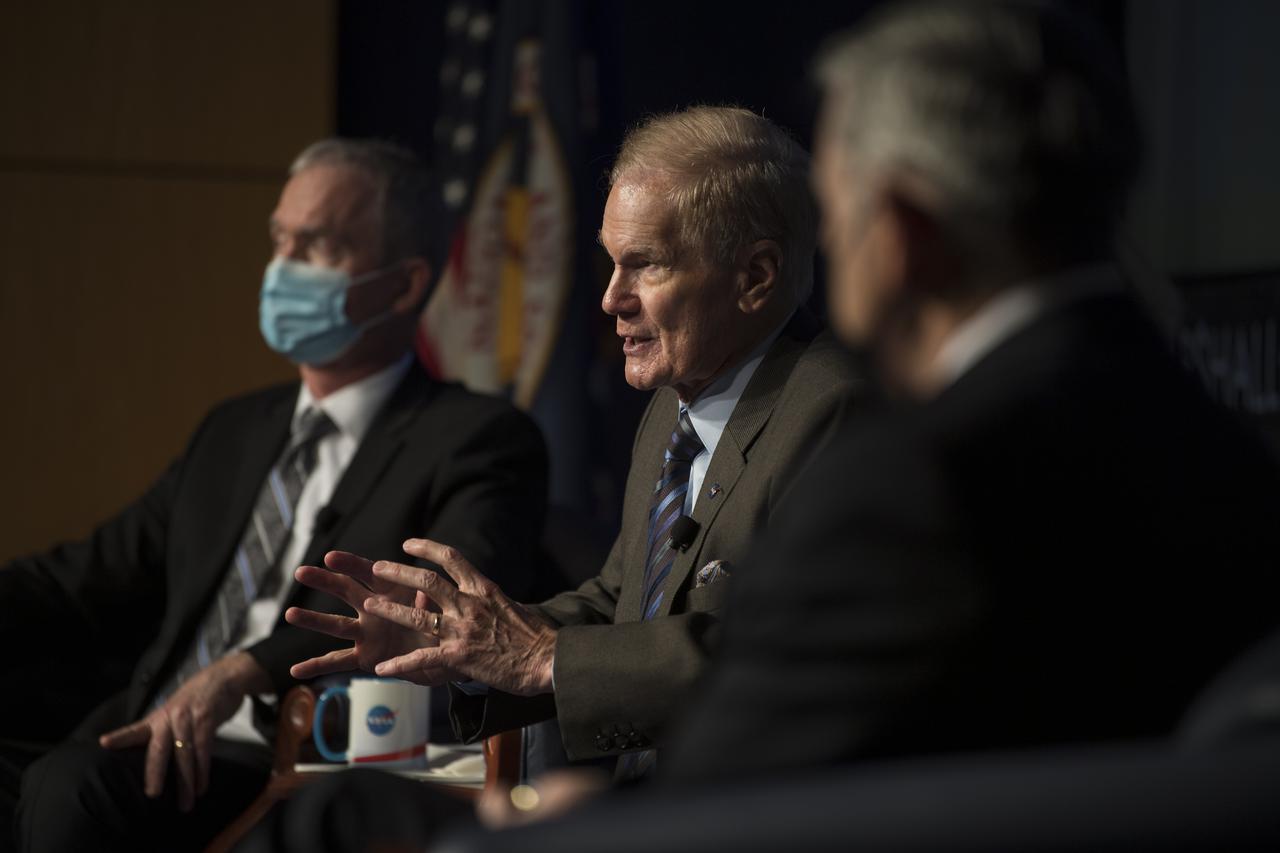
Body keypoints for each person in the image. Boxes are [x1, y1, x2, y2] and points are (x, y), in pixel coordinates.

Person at [662, 0, 1280, 781]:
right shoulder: (1229, 453)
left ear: (901, 233)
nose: (828, 241)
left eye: (836, 209)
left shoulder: (896, 499)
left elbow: (707, 814)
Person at [261, 106, 865, 851]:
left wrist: (545, 658)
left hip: (741, 815)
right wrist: (462, 647)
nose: (612, 298)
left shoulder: (838, 415)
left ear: (756, 275)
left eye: (647, 264)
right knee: (337, 813)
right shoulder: (678, 410)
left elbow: (790, 660)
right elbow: (620, 602)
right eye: (612, 262)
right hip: (637, 805)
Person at [1, 139, 548, 852]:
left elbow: (447, 610)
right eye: (279, 240)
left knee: (70, 787)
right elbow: (84, 581)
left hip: (306, 752)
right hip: (147, 733)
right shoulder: (234, 430)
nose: (283, 268)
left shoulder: (477, 438)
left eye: (315, 246)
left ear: (404, 286)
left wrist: (247, 667)